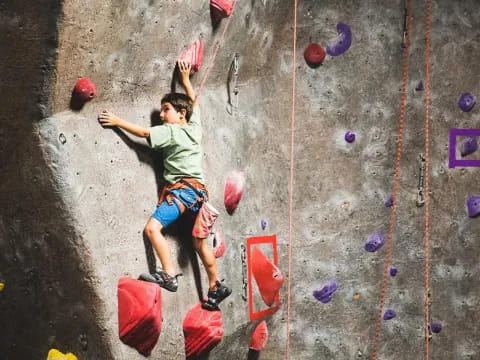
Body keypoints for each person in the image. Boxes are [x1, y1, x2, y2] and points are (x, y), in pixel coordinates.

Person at [98, 61, 231, 310]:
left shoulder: (170, 132)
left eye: (165, 109)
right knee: (200, 244)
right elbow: (195, 105)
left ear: (181, 114)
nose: (161, 115)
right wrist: (186, 81)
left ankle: (168, 275)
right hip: (199, 196)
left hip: (182, 192)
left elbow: (144, 134)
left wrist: (117, 121)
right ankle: (216, 285)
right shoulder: (194, 130)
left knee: (151, 229)